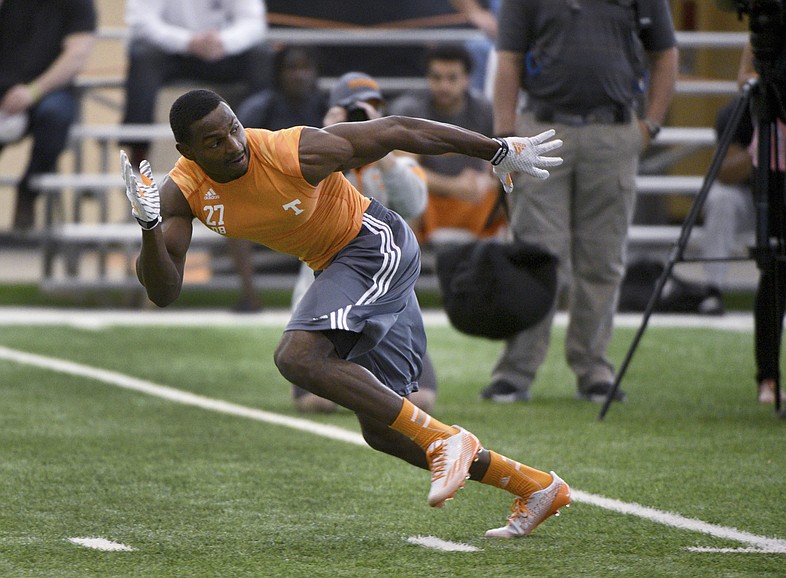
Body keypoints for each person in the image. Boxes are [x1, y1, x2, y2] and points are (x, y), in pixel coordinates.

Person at [120, 87, 569, 537]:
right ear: (187, 151)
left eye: (234, 129)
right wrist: (149, 227)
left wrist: (496, 151)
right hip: (336, 269)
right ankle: (534, 487)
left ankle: (447, 440)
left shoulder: (290, 150)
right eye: (214, 142)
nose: (234, 145)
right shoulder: (182, 192)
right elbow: (163, 290)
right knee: (384, 431)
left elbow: (398, 129)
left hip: (374, 246)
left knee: (296, 357)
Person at [484, 0, 678, 403]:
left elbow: (665, 54)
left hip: (615, 127)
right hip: (541, 128)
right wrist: (506, 138)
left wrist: (651, 125)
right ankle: (516, 372)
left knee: (602, 257)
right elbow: (508, 59)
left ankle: (594, 368)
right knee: (535, 255)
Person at [288, 71, 437, 414]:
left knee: (421, 399)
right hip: (330, 287)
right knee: (316, 401)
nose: (362, 116)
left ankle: (363, 384)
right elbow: (302, 203)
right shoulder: (310, 153)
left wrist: (379, 144)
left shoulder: (397, 158)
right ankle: (361, 384)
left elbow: (415, 204)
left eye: (372, 109)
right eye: (353, 110)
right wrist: (331, 138)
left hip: (384, 293)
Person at [229, 46, 329, 313]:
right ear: (278, 74)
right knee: (233, 214)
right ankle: (250, 296)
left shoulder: (328, 108)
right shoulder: (259, 108)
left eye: (306, 68)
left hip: (318, 195)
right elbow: (240, 159)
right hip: (267, 195)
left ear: (316, 73)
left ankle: (332, 298)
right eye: (292, 68)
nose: (299, 75)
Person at [121, 0, 271, 168]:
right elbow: (142, 22)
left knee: (261, 55)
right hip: (172, 54)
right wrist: (188, 42)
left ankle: (259, 144)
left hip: (222, 52)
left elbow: (254, 22)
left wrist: (224, 42)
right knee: (143, 55)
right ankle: (138, 148)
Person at [388, 45, 504, 248]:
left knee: (516, 191)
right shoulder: (409, 111)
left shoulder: (485, 111)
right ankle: (408, 265)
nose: (444, 86)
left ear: (467, 79)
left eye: (452, 78)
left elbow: (505, 164)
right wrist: (453, 186)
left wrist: (487, 181)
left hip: (475, 201)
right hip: (428, 203)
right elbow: (404, 171)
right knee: (406, 192)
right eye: (436, 78)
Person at [0, 0, 97, 231]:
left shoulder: (79, 4)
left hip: (50, 90)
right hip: (4, 87)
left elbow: (76, 54)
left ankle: (29, 191)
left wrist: (33, 92)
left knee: (56, 116)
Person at [737, 42, 786, 410]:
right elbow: (745, 78)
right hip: (774, 161)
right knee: (773, 271)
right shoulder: (770, 31)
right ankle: (769, 377)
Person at [701, 99, 756, 313]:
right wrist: (763, 148)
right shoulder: (736, 112)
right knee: (721, 198)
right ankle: (713, 290)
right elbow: (723, 172)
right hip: (748, 197)